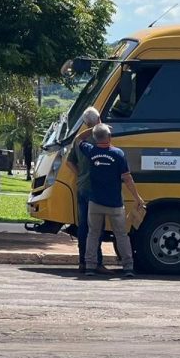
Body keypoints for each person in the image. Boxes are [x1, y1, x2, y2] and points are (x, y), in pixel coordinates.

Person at [79, 123, 145, 278]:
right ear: (109, 137)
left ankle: (90, 266)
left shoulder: (91, 151)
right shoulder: (118, 154)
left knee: (93, 234)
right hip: (115, 203)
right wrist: (137, 197)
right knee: (121, 235)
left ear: (95, 138)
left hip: (95, 202)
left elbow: (78, 138)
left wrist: (94, 127)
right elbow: (127, 178)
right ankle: (128, 267)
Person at [66, 107, 106, 273]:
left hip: (82, 187)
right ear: (98, 120)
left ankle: (82, 261)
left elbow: (69, 162)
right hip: (97, 188)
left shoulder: (78, 140)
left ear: (85, 122)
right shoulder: (100, 139)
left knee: (83, 226)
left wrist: (81, 174)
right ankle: (96, 262)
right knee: (97, 227)